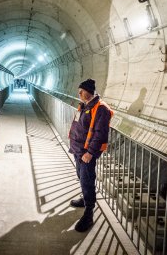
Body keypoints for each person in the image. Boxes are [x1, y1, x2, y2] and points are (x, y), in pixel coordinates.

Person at [68, 78, 113, 232]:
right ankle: (85, 199)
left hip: (86, 152)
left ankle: (89, 213)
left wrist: (90, 152)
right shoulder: (85, 105)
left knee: (87, 179)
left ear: (89, 92)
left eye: (81, 91)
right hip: (78, 149)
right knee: (81, 177)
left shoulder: (101, 108)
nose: (79, 94)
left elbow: (100, 133)